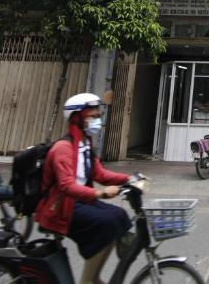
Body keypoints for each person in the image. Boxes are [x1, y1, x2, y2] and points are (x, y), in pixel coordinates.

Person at [36, 93, 131, 284]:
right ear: (77, 117)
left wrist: (130, 179)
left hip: (78, 202)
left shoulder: (85, 144)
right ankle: (89, 280)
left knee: (119, 216)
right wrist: (100, 193)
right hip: (60, 208)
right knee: (106, 223)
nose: (98, 121)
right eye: (93, 117)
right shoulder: (63, 148)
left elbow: (100, 174)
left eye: (98, 116)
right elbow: (66, 186)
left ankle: (96, 278)